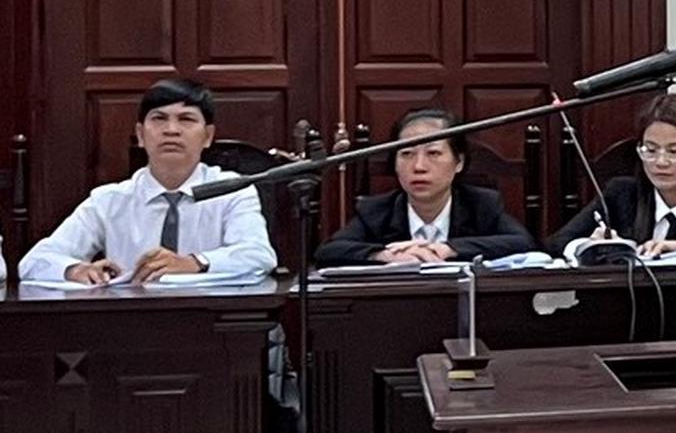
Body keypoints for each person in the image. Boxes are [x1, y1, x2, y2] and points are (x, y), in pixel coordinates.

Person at [18, 78, 277, 283]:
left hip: (213, 321)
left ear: (208, 136)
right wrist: (75, 270)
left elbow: (258, 255)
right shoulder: (109, 200)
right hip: (130, 323)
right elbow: (34, 262)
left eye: (186, 119)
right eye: (159, 119)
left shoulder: (232, 190)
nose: (171, 130)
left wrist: (194, 263)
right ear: (141, 135)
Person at [314, 108, 535, 265]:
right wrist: (384, 255)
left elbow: (524, 243)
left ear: (459, 162)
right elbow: (329, 251)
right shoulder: (376, 211)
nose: (419, 167)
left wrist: (450, 249)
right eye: (407, 154)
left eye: (433, 153)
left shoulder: (481, 204)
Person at [545, 93, 676, 259]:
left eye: (674, 152)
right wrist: (590, 247)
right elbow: (557, 243)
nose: (660, 162)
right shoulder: (620, 194)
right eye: (650, 150)